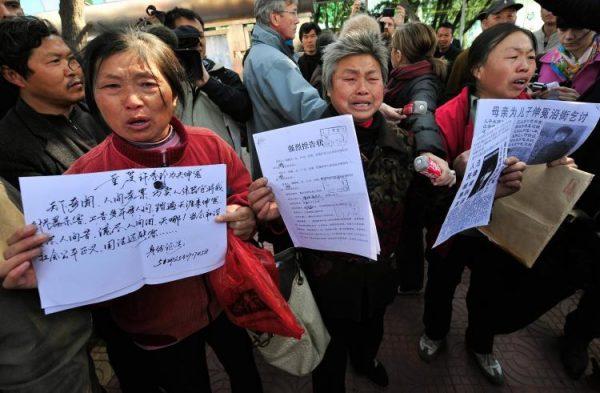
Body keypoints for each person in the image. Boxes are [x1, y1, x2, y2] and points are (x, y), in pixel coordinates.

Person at [4, 29, 263, 393]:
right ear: (92, 96)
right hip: (156, 329)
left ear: (174, 93)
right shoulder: (81, 180)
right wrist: (42, 273)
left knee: (247, 375)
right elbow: (66, 263)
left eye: (147, 83)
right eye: (111, 87)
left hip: (227, 302)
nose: (132, 101)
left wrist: (246, 214)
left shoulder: (210, 145)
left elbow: (241, 193)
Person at [248, 31, 413, 392]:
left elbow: (412, 209)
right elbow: (284, 226)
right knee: (329, 357)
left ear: (384, 86)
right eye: (349, 78)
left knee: (373, 331)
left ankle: (367, 359)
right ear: (327, 86)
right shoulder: (297, 147)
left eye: (372, 78)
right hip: (326, 281)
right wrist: (271, 218)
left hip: (381, 273)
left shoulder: (401, 143)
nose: (362, 89)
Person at [0, 16, 107, 393]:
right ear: (15, 76)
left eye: (71, 58)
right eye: (54, 62)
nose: (72, 69)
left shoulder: (89, 115)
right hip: (87, 303)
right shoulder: (11, 146)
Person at [384, 22, 454, 293]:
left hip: (415, 169)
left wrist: (428, 151)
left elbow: (422, 114)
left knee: (409, 227)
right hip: (408, 164)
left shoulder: (422, 82)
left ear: (399, 54)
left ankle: (410, 282)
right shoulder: (413, 75)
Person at [244, 0, 328, 176]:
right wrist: (353, 112)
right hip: (287, 165)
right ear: (275, 17)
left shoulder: (261, 53)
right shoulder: (273, 61)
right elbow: (311, 110)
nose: (297, 20)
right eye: (294, 12)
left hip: (274, 161)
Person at [164, 7, 253, 125]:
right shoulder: (161, 79)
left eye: (200, 35)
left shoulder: (223, 75)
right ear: (170, 39)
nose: (198, 42)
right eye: (187, 35)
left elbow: (245, 111)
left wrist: (209, 83)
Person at [444, 0, 523, 100]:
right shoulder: (467, 57)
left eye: (510, 16)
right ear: (485, 24)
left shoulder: (523, 56)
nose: (505, 22)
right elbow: (451, 95)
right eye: (497, 17)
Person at [537, 17, 600, 98]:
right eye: (563, 29)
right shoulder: (543, 61)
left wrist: (582, 103)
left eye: (578, 28)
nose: (569, 36)